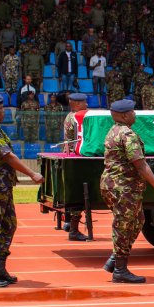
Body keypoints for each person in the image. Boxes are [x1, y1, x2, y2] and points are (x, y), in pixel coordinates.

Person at [0, 93, 44, 287]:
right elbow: (8, 156)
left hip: (1, 185)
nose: (3, 112)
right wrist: (32, 173)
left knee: (9, 225)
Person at [100, 99, 154, 283]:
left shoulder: (113, 130)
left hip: (115, 185)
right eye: (132, 112)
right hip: (123, 187)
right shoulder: (127, 134)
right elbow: (140, 165)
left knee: (138, 220)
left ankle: (116, 259)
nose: (135, 114)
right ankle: (120, 270)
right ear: (124, 115)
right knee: (124, 225)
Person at [62, 93, 89, 241]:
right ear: (77, 104)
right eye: (84, 102)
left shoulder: (70, 116)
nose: (86, 104)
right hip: (76, 157)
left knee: (71, 192)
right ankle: (73, 229)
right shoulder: (77, 117)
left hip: (70, 156)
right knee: (79, 194)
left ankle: (68, 223)